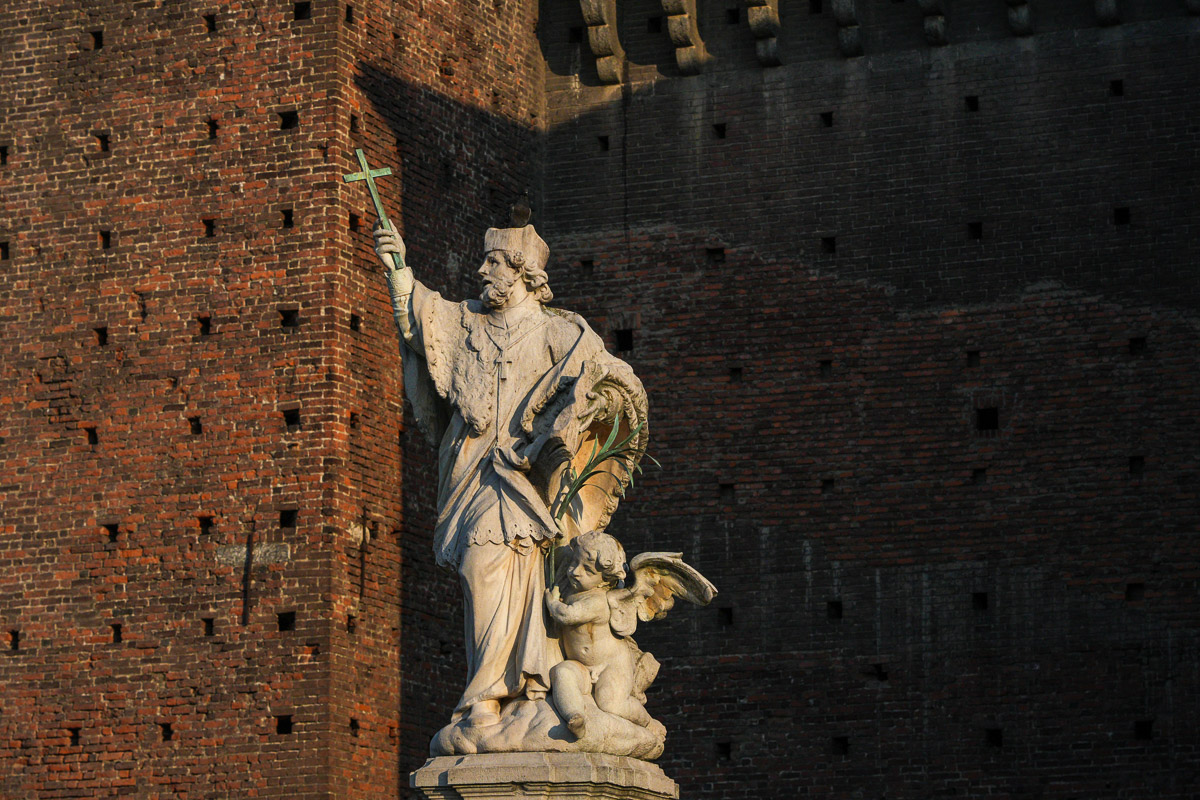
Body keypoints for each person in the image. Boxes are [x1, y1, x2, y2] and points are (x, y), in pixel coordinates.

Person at [374, 216, 648, 741]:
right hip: (477, 475)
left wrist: (575, 427)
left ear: (522, 272)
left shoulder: (563, 333)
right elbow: (421, 322)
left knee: (531, 576)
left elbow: (616, 385)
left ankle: (522, 693)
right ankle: (492, 697)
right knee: (484, 572)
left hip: (532, 484)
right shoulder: (469, 322)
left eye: (493, 262)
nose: (481, 270)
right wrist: (397, 268)